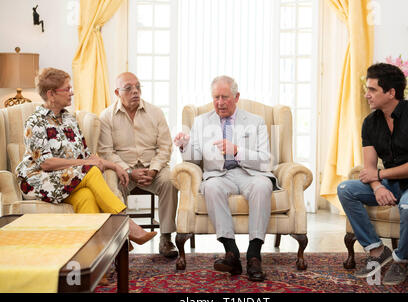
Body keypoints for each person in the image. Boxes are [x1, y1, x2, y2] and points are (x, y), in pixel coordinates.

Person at [16, 67, 156, 247]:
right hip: (40, 181)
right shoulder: (35, 122)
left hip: (68, 180)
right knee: (90, 171)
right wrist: (85, 163)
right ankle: (125, 225)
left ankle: (94, 263)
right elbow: (46, 163)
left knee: (87, 197)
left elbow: (87, 156)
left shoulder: (70, 119)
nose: (71, 92)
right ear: (51, 94)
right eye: (67, 89)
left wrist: (115, 166)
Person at [337, 63, 408, 285]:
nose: (367, 95)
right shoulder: (370, 122)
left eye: (372, 90)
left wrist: (381, 174)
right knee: (346, 189)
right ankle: (377, 251)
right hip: (390, 184)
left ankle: (401, 261)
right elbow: (369, 169)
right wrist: (378, 186)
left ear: (391, 92)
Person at [173, 76, 277, 282]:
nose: (220, 102)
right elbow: (193, 159)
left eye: (225, 97)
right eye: (216, 97)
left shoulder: (255, 121)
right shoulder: (202, 121)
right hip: (220, 175)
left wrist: (237, 150)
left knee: (262, 186)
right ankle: (232, 253)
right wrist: (184, 145)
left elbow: (265, 159)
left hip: (251, 174)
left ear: (236, 97)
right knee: (210, 187)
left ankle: (254, 255)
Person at [98, 72, 178, 258]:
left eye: (138, 87)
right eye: (128, 88)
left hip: (153, 168)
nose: (135, 91)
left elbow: (165, 146)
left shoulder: (155, 112)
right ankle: (121, 238)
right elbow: (106, 152)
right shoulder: (106, 117)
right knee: (111, 186)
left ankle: (166, 237)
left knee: (170, 180)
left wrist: (155, 168)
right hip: (123, 170)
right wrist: (128, 171)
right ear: (117, 92)